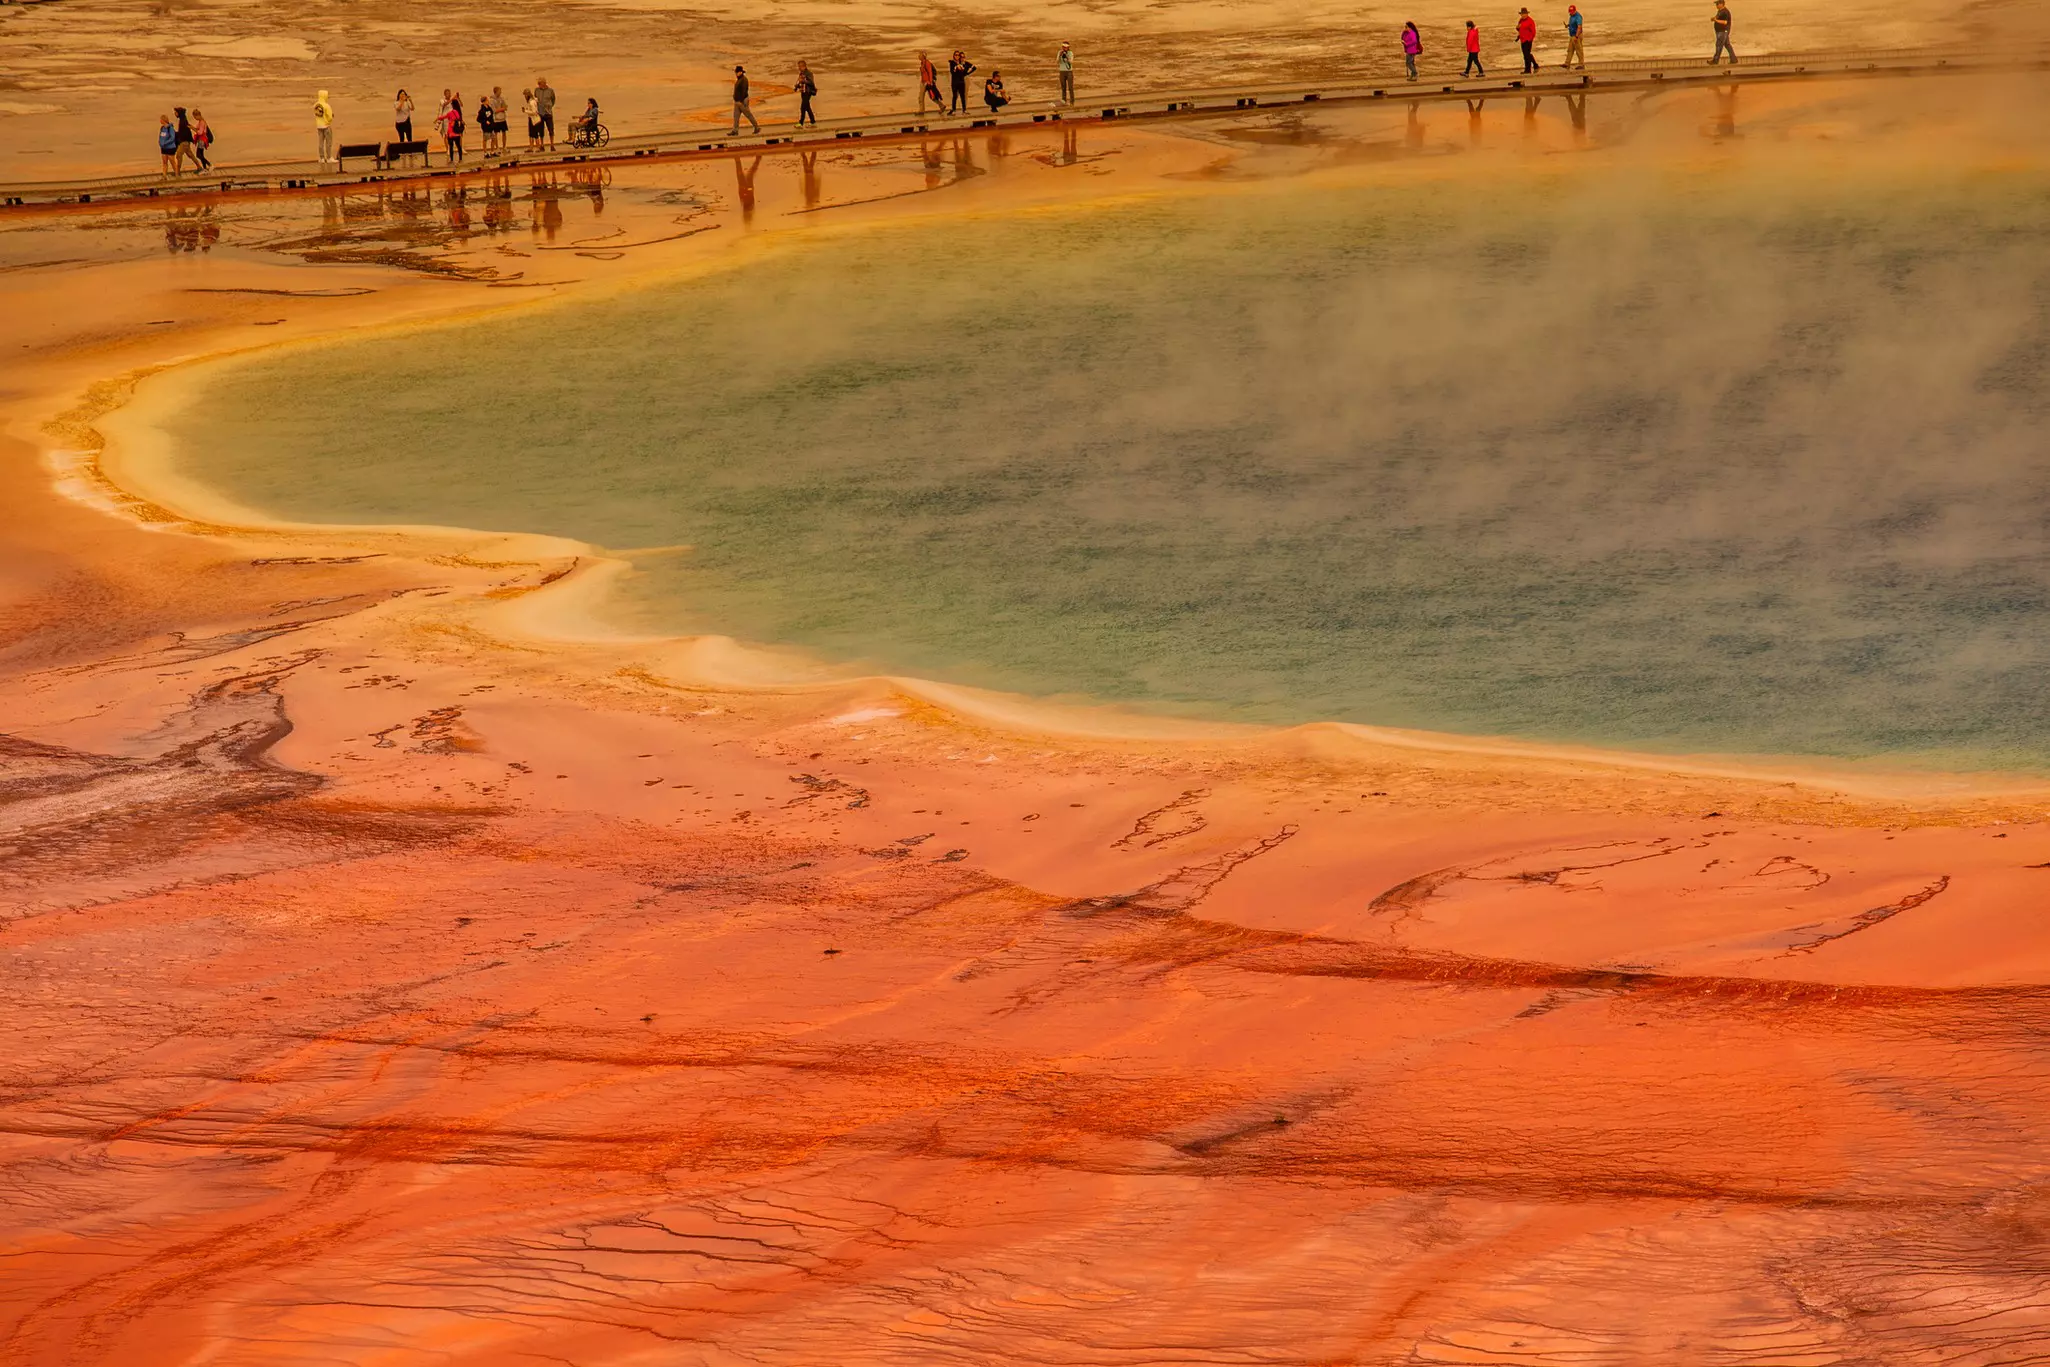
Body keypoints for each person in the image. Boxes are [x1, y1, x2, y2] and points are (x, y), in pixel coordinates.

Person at [730, 64, 759, 134]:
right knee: (736, 117)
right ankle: (735, 131)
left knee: (748, 115)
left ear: (740, 72)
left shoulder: (744, 80)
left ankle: (756, 127)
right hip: (737, 102)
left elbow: (744, 91)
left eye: (737, 72)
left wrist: (741, 100)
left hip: (742, 101)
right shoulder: (739, 79)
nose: (736, 74)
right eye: (736, 72)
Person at [948, 51, 975, 115]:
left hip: (961, 81)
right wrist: (956, 68)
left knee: (962, 96)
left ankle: (964, 110)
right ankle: (954, 110)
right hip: (955, 82)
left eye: (958, 55)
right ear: (954, 56)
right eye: (956, 55)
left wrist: (966, 72)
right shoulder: (952, 63)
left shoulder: (962, 63)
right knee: (955, 96)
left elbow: (970, 68)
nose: (957, 56)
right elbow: (952, 71)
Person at [440, 92, 464, 162]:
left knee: (457, 135)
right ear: (444, 94)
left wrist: (458, 98)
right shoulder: (442, 100)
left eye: (450, 93)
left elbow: (461, 105)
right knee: (446, 135)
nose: (449, 95)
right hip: (447, 120)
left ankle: (459, 152)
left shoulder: (454, 107)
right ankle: (448, 150)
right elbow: (444, 105)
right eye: (447, 93)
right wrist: (452, 99)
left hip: (453, 121)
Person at [313, 89, 334, 167]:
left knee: (320, 143)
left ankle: (321, 158)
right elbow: (330, 117)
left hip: (319, 126)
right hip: (326, 125)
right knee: (328, 142)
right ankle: (329, 158)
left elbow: (316, 114)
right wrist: (329, 119)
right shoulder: (326, 105)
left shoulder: (315, 105)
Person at [535, 76, 557, 149]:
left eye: (540, 83)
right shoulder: (537, 90)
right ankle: (542, 144)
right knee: (541, 130)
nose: (539, 85)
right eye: (538, 84)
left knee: (550, 128)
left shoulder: (550, 91)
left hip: (548, 112)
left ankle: (552, 144)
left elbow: (553, 100)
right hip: (540, 112)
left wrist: (549, 106)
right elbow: (535, 99)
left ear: (544, 83)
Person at [172, 106, 196, 171]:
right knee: (190, 155)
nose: (175, 114)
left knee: (178, 155)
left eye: (175, 112)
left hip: (184, 142)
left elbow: (183, 133)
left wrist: (174, 133)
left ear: (179, 113)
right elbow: (186, 132)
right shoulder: (183, 119)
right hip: (185, 141)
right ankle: (199, 167)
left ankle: (177, 171)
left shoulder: (183, 121)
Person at [795, 60, 818, 126]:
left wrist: (804, 81)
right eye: (798, 66)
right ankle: (813, 121)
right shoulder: (801, 73)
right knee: (807, 107)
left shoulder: (809, 73)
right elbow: (800, 83)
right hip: (803, 92)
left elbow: (811, 83)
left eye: (800, 66)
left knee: (803, 107)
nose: (799, 68)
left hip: (808, 92)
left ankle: (801, 122)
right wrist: (797, 86)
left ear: (804, 66)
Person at [1516, 7, 1539, 73]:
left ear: (1527, 14)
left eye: (1524, 14)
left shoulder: (1530, 21)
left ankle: (1528, 69)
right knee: (1526, 55)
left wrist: (1530, 38)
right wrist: (1517, 29)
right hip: (1522, 40)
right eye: (1522, 14)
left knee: (1526, 55)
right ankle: (1535, 65)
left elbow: (1533, 31)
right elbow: (1519, 28)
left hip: (1528, 40)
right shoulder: (1520, 20)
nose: (1523, 15)